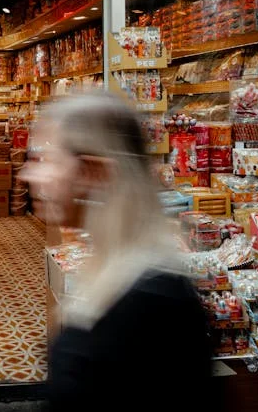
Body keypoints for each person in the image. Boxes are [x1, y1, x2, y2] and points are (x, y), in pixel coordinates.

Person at [19, 92, 213, 408]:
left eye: (44, 159)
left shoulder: (150, 300)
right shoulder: (117, 269)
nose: (26, 174)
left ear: (91, 172)